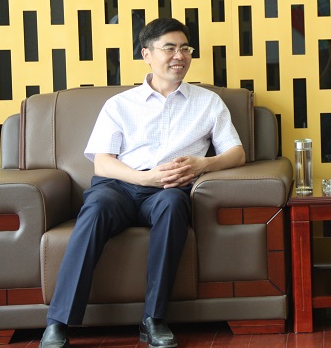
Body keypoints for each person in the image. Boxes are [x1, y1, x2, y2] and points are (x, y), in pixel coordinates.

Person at [39, 17, 246, 348]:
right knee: (95, 209)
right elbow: (103, 161)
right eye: (170, 48)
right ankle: (58, 323)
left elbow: (236, 153)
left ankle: (153, 319)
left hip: (168, 191)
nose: (179, 56)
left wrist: (203, 164)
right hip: (119, 188)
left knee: (174, 205)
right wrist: (143, 177)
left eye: (186, 49)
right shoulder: (120, 105)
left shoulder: (208, 102)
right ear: (146, 54)